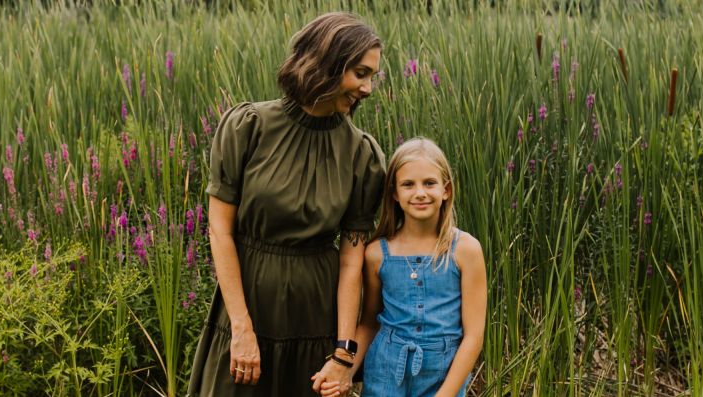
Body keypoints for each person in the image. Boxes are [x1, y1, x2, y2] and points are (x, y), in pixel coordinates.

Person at [187, 12, 386, 397]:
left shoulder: (362, 155)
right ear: (327, 63)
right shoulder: (249, 127)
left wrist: (344, 357)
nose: (368, 88)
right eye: (360, 73)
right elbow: (220, 230)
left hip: (316, 317)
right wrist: (242, 328)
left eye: (372, 76)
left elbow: (351, 262)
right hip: (248, 307)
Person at [314, 138, 487, 397]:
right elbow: (371, 321)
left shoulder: (465, 250)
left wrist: (446, 394)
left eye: (430, 183)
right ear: (394, 193)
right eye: (408, 184)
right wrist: (345, 370)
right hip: (385, 374)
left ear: (446, 190)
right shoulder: (376, 253)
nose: (420, 193)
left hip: (442, 379)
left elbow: (473, 336)